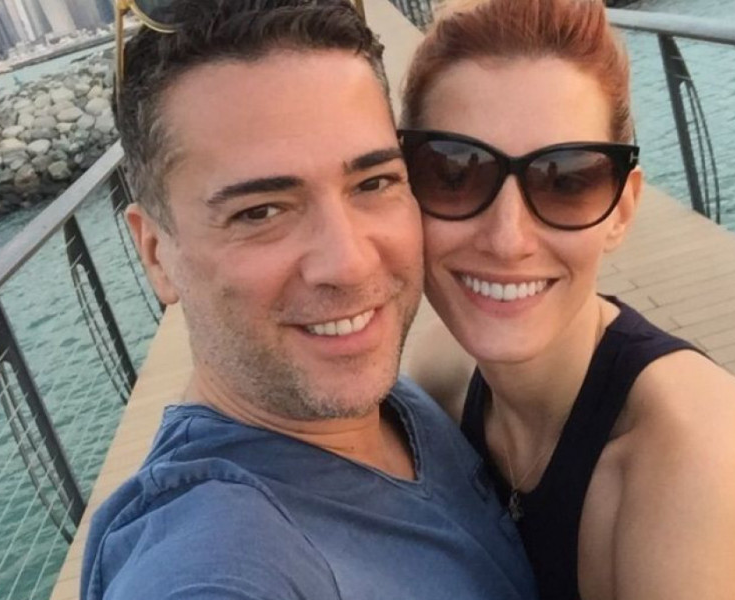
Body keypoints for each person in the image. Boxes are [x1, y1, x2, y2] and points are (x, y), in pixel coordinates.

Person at [79, 1, 539, 599]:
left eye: (373, 182)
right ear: (157, 255)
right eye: (261, 212)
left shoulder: (397, 411)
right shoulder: (212, 558)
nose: (349, 263)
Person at [399, 0, 735, 599]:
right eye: (455, 173)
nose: (507, 239)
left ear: (621, 210)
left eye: (567, 180)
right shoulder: (444, 371)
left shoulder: (696, 464)